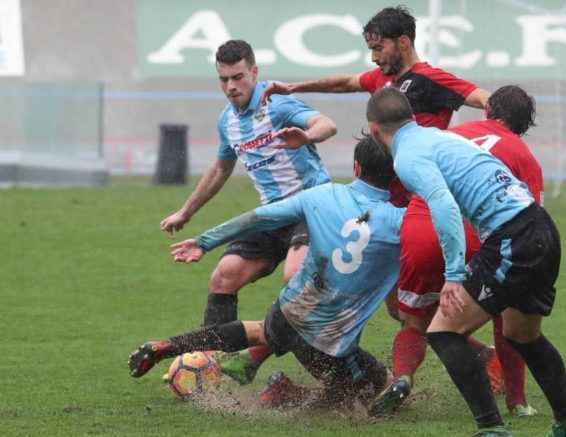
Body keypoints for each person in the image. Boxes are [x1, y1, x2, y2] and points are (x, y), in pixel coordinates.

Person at [260, 5, 529, 412]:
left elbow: (485, 100)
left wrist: (489, 137)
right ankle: (478, 356)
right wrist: (294, 88)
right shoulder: (384, 79)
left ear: (404, 42)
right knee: (396, 304)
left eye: (378, 47)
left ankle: (272, 357)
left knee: (387, 299)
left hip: (423, 209)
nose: (373, 57)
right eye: (369, 49)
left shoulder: (431, 79)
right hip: (391, 208)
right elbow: (348, 82)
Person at [367, 87, 566, 437]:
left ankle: (492, 429)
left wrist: (455, 274)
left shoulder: (406, 156)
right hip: (541, 226)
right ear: (411, 117)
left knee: (443, 332)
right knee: (523, 335)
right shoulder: (435, 137)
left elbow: (442, 205)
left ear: (373, 129)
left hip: (512, 236)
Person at [129, 136, 403, 409]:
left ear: (355, 167)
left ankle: (168, 345)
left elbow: (258, 217)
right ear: (396, 175)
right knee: (376, 389)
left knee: (259, 331)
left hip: (289, 311)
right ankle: (288, 397)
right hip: (329, 343)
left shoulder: (322, 194)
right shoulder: (399, 221)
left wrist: (203, 242)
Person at [157, 40, 337, 385]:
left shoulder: (278, 104)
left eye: (238, 77)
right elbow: (221, 168)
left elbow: (327, 124)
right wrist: (186, 212)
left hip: (312, 209)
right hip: (273, 216)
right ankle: (206, 363)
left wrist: (306, 135)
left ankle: (311, 362)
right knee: (224, 275)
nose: (231, 86)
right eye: (223, 79)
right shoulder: (228, 121)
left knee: (293, 279)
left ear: (254, 72)